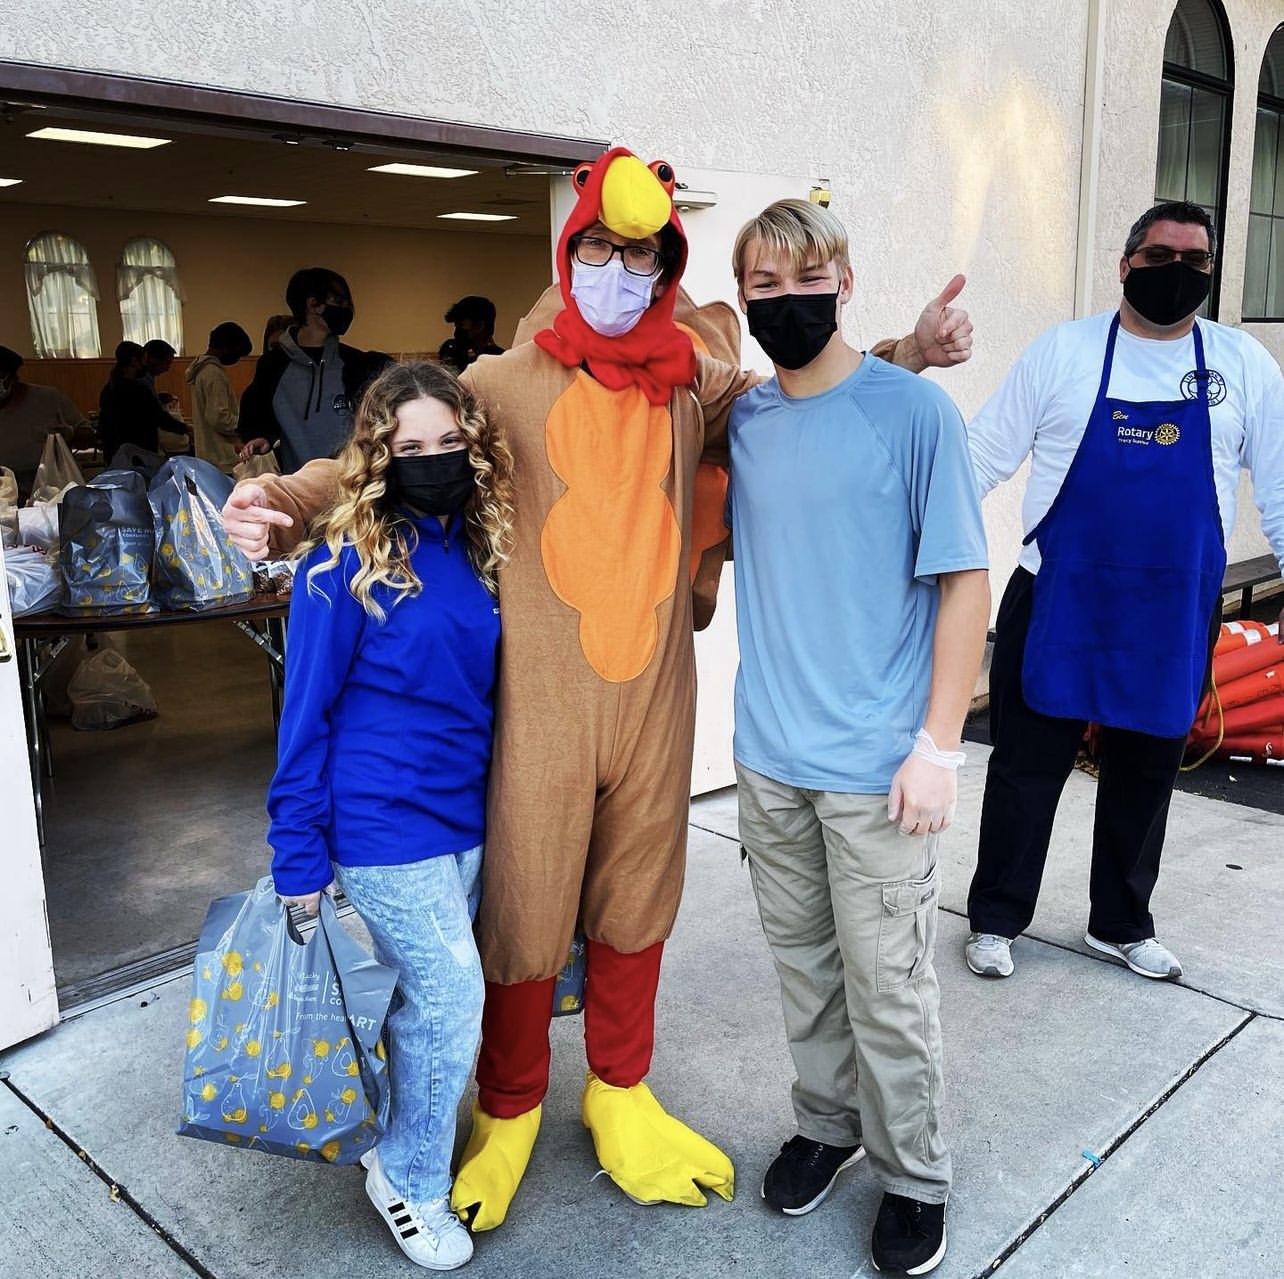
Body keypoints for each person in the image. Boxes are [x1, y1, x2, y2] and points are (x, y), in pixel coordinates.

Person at [222, 148, 972, 1235]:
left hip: (657, 705)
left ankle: (621, 1091)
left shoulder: (691, 377)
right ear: (569, 254)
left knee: (637, 894)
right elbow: (384, 450)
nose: (619, 271)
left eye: (641, 255)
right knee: (524, 905)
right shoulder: (500, 382)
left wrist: (911, 350)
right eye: (600, 251)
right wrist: (284, 498)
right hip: (543, 705)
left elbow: (814, 391)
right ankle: (514, 1105)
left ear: (666, 266)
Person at [727, 200, 988, 1277]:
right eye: (764, 286)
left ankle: (914, 1171)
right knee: (806, 971)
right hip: (768, 757)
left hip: (879, 770)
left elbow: (965, 583)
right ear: (743, 297)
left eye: (805, 279)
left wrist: (939, 744)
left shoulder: (912, 416)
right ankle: (828, 1127)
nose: (786, 302)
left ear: (843, 277)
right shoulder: (743, 418)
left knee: (888, 983)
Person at [964, 200, 1284, 985]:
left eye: (1196, 262)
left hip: (1171, 613)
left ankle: (1121, 922)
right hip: (1057, 602)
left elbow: (1279, 488)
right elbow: (977, 461)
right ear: (1125, 264)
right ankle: (997, 918)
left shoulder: (1242, 366)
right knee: (1024, 769)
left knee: (1146, 773)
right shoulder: (1063, 354)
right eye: (1160, 257)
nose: (1178, 272)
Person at [269, 360, 515, 1271]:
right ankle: (409, 1178)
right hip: (379, 825)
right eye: (411, 447)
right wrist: (298, 858)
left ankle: (399, 1140)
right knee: (453, 997)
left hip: (464, 822)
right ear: (377, 456)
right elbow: (303, 719)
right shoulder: (340, 565)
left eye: (449, 443)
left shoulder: (478, 548)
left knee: (426, 1002)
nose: (434, 460)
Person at [237, 267, 389, 472]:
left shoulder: (356, 363)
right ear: (313, 305)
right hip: (299, 485)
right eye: (340, 302)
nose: (348, 310)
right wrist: (263, 438)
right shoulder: (273, 366)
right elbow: (258, 417)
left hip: (352, 482)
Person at [0, 344, 87, 500]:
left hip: (50, 495)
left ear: (9, 377)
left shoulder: (48, 399)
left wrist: (69, 433)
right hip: (5, 499)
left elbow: (90, 436)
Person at [98, 340, 189, 461]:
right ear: (135, 362)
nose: (145, 365)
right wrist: (186, 429)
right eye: (143, 361)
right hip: (138, 451)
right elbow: (159, 417)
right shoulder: (138, 389)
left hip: (114, 451)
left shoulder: (109, 388)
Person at [185, 322, 252, 471]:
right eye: (237, 353)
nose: (236, 359)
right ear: (225, 346)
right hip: (221, 457)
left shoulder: (202, 371)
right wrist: (246, 426)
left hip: (209, 455)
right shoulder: (213, 374)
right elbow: (219, 417)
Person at [438, 296, 504, 373]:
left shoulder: (498, 360)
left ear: (479, 325)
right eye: (456, 326)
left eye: (461, 325)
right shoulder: (455, 352)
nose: (457, 332)